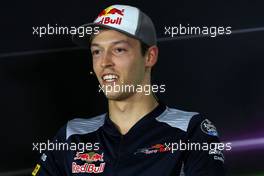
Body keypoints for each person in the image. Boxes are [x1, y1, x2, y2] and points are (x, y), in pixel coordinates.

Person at [32, 4, 226, 176]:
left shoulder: (190, 130)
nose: (104, 62)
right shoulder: (71, 134)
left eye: (119, 49)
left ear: (150, 57)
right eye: (96, 51)